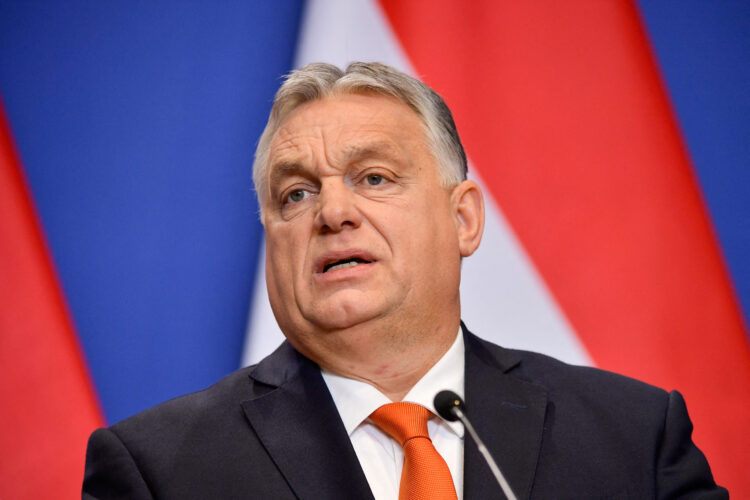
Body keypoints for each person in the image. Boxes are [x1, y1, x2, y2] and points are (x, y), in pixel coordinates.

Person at [82, 62, 726, 499]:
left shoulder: (631, 437)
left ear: (463, 219)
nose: (333, 212)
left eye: (374, 178)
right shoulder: (160, 472)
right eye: (297, 193)